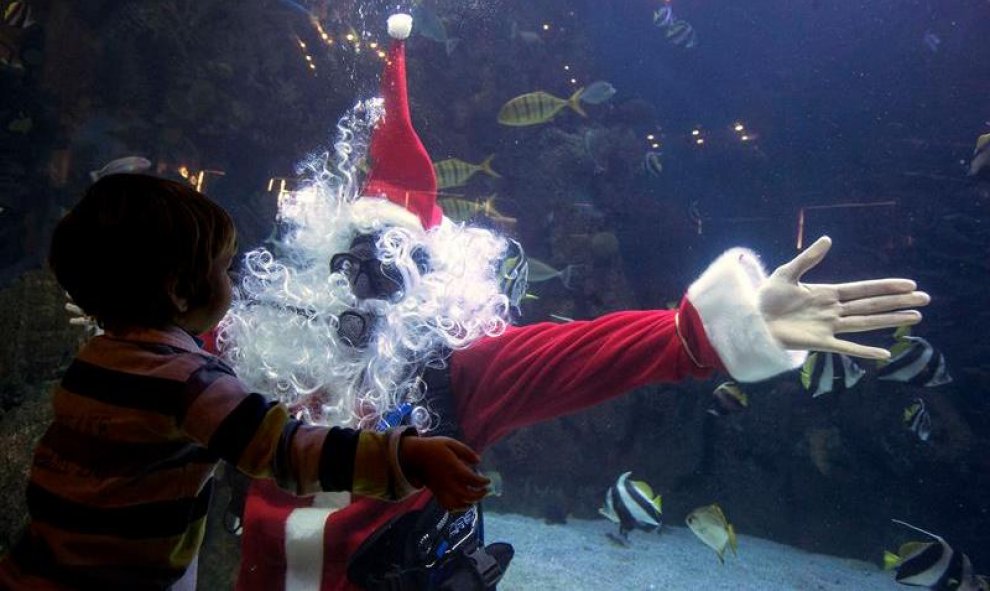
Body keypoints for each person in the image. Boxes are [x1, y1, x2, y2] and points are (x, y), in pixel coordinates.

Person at [227, 13, 931, 591]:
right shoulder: (258, 344)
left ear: (427, 280)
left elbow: (586, 355)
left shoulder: (455, 372)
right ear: (314, 264)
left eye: (387, 266)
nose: (364, 288)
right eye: (349, 264)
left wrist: (724, 328)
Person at [0, 173, 490, 591]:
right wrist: (402, 457)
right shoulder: (189, 383)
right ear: (178, 290)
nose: (234, 281)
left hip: (33, 567)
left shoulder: (95, 359)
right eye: (223, 267)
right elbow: (287, 450)